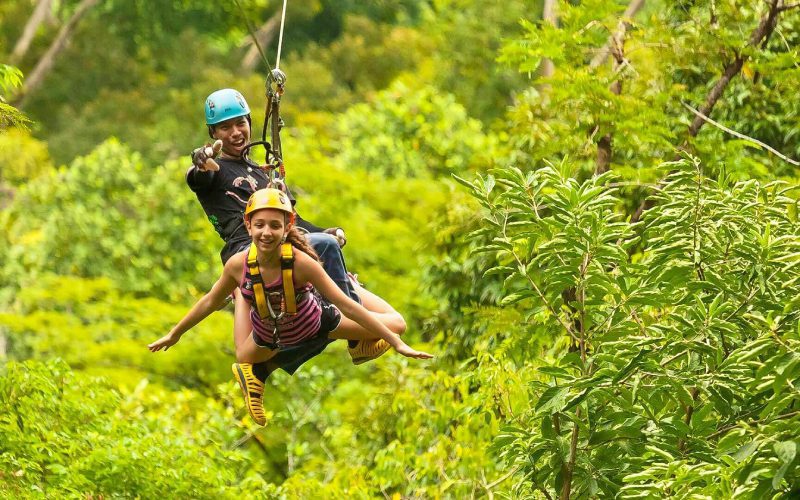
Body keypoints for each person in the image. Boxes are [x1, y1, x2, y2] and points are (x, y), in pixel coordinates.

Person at [148, 188, 432, 424]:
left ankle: (352, 285)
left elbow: (345, 304)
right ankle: (242, 294)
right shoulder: (237, 265)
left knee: (397, 323)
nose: (266, 233)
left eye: (275, 225)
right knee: (244, 357)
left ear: (288, 227)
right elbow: (209, 301)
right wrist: (176, 333)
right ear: (248, 226)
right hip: (270, 336)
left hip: (320, 324)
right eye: (259, 225)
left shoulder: (301, 264)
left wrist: (395, 342)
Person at [186, 88, 391, 366]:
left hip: (281, 242)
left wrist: (326, 231)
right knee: (325, 251)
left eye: (240, 123)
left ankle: (287, 355)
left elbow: (293, 220)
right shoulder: (215, 169)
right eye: (225, 127)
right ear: (213, 134)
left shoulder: (261, 171)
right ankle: (356, 337)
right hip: (251, 248)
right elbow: (198, 177)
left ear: (249, 122)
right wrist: (202, 158)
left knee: (326, 268)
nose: (235, 132)